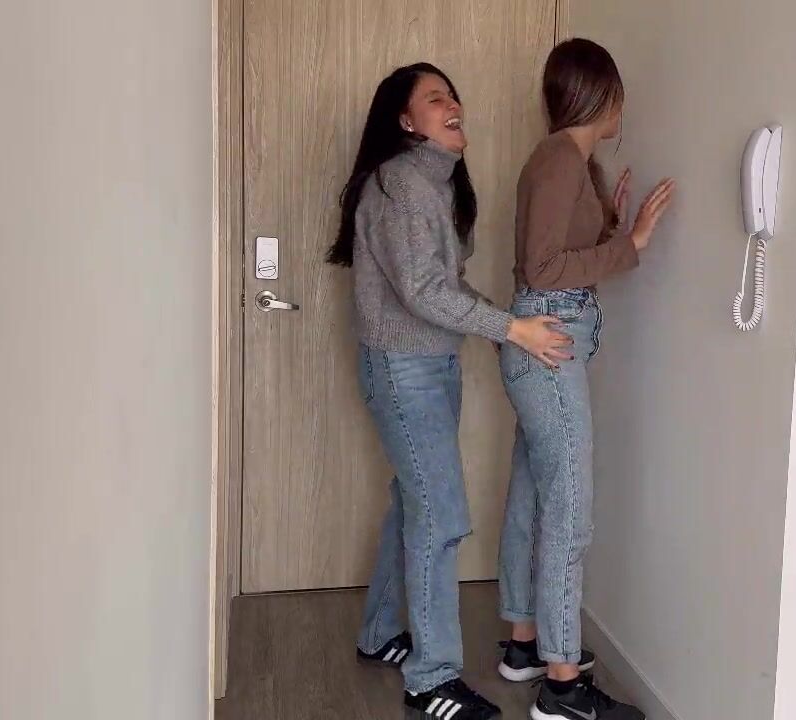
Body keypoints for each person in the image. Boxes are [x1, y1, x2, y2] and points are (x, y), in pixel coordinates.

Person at [328, 61, 571, 720]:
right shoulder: (401, 183)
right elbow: (422, 291)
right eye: (435, 98)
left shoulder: (434, 185)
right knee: (441, 516)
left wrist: (497, 324)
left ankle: (380, 632)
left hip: (429, 366)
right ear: (407, 121)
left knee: (415, 503)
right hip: (404, 370)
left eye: (453, 95)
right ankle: (430, 680)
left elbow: (445, 284)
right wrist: (512, 328)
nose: (452, 104)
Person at [495, 39, 676, 720]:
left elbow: (559, 251)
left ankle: (525, 645)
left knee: (534, 497)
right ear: (601, 94)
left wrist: (610, 221)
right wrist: (630, 246)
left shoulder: (570, 162)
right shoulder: (558, 160)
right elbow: (543, 268)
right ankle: (562, 687)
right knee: (568, 511)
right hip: (549, 345)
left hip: (547, 345)